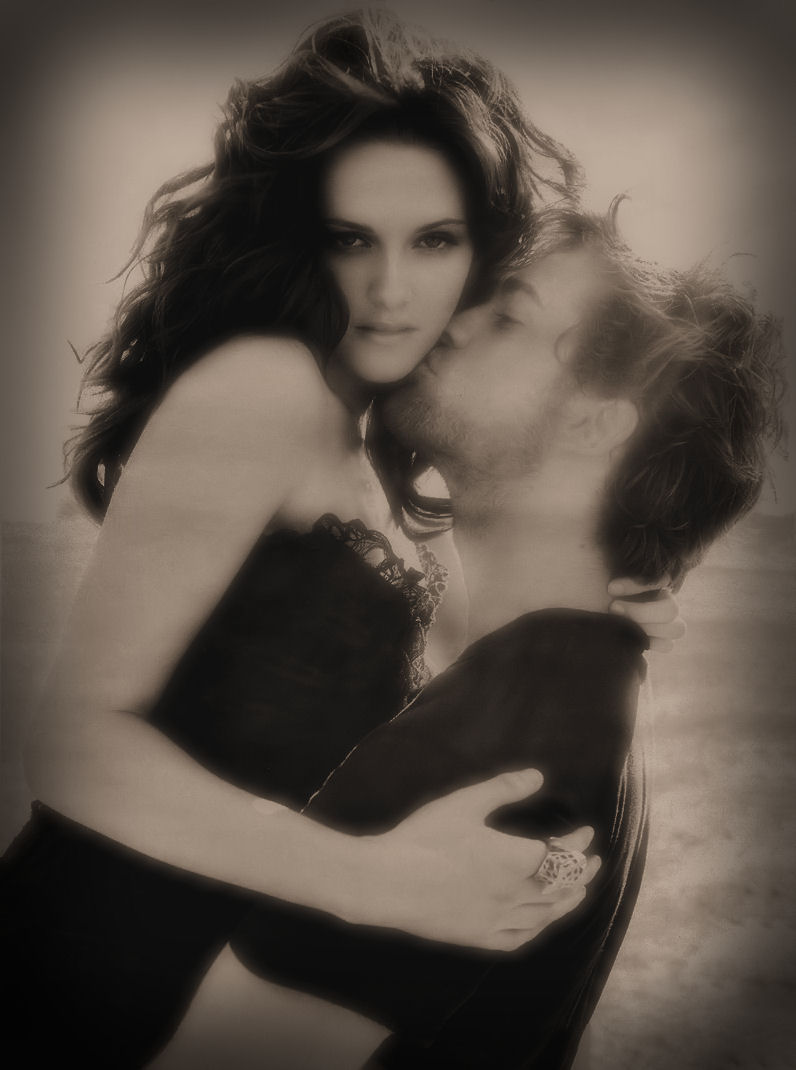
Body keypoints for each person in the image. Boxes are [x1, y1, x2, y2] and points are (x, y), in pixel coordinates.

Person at [0, 11, 681, 1070]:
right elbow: (71, 743)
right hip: (60, 982)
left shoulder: (401, 475)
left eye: (435, 240)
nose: (391, 290)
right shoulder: (264, 387)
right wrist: (365, 880)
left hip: (197, 1003)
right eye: (352, 237)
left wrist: (617, 601)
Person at [155, 203, 784, 1069]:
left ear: (594, 423)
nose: (453, 320)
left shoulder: (489, 748)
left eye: (508, 315)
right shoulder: (588, 693)